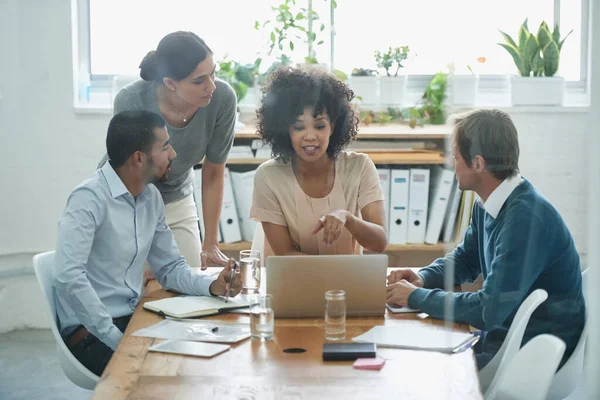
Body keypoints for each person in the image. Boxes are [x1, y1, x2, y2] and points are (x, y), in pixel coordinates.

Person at [386, 108, 585, 369]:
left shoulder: (525, 220)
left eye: (455, 156)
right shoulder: (490, 202)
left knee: (422, 369)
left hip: (531, 352)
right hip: (505, 335)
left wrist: (415, 297)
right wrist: (423, 277)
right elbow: (466, 259)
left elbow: (487, 310)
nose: (450, 163)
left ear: (478, 163)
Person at [55, 111, 242, 376]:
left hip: (131, 321)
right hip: (90, 334)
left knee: (206, 352)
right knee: (168, 373)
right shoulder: (88, 199)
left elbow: (171, 268)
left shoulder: (150, 197)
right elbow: (67, 277)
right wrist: (118, 339)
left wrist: (213, 285)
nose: (173, 154)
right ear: (139, 158)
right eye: (165, 147)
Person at [97, 31, 237, 269]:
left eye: (213, 73)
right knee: (134, 286)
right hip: (127, 196)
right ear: (170, 83)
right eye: (199, 80)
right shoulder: (132, 100)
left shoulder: (222, 99)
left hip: (176, 197)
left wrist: (211, 242)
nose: (211, 86)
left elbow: (213, 171)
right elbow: (131, 173)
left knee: (189, 279)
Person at [250, 66, 388, 256]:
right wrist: (328, 276)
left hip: (347, 282)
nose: (310, 136)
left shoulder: (360, 167)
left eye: (319, 126)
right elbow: (285, 254)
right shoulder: (268, 176)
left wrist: (349, 219)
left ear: (333, 126)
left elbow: (380, 243)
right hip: (293, 281)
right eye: (299, 127)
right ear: (285, 130)